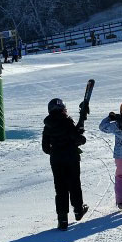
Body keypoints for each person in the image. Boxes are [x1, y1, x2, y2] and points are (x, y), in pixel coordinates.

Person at [42, 98, 89, 230]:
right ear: (63, 109)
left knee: (60, 188)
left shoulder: (48, 125)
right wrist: (81, 139)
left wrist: (56, 151)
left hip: (56, 160)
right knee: (74, 184)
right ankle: (78, 210)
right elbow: (76, 138)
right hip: (71, 158)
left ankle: (62, 220)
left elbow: (45, 147)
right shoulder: (67, 121)